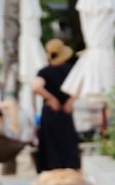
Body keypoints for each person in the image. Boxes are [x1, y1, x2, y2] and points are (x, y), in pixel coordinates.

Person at [31, 38, 81, 173]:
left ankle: (53, 169)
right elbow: (80, 86)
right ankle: (71, 168)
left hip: (50, 111)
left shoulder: (45, 71)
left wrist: (51, 99)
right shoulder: (71, 70)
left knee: (51, 143)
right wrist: (70, 101)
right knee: (68, 141)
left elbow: (36, 87)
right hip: (66, 112)